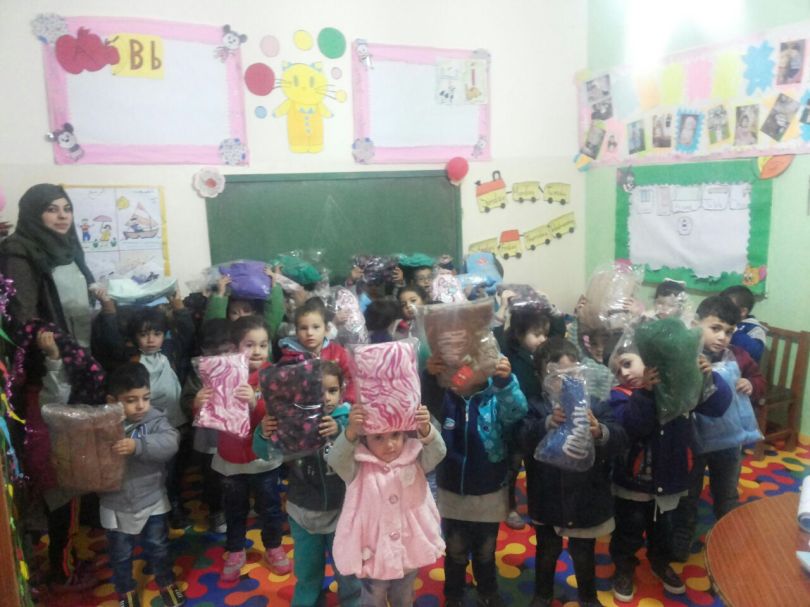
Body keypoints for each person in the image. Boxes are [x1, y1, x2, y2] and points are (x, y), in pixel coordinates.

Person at [608, 341, 731, 603]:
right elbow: (633, 425)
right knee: (628, 530)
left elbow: (717, 407)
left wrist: (708, 378)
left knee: (664, 529)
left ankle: (660, 562)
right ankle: (624, 568)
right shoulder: (620, 395)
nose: (624, 373)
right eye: (618, 370)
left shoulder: (679, 390)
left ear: (650, 360)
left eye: (628, 364)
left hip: (670, 479)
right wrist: (645, 393)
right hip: (634, 483)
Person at [517, 337, 626, 607]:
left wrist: (600, 431)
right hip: (547, 496)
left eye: (573, 374)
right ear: (542, 378)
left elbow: (620, 439)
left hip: (585, 498)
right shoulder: (536, 407)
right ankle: (543, 594)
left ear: (582, 374)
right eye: (557, 376)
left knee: (583, 552)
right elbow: (521, 438)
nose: (566, 382)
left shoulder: (595, 406)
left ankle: (588, 597)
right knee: (547, 550)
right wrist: (545, 424)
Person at [255, 360, 362, 606]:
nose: (325, 397)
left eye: (332, 390)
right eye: (317, 391)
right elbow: (265, 453)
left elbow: (362, 452)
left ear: (342, 391)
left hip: (342, 512)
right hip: (302, 511)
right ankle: (307, 599)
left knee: (347, 568)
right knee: (306, 568)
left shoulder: (349, 420)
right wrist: (264, 432)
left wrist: (341, 431)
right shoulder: (292, 420)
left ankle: (353, 600)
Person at [669, 295, 766, 561]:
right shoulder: (686, 355)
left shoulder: (739, 356)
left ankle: (728, 539)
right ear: (696, 324)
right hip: (694, 440)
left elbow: (758, 379)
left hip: (729, 440)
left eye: (729, 331)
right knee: (688, 495)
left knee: (727, 493)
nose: (722, 337)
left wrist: (751, 384)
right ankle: (681, 540)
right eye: (715, 328)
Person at [429, 350, 528, 607]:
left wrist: (505, 383)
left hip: (489, 491)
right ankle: (454, 595)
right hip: (453, 490)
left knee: (485, 550)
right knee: (455, 550)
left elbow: (517, 411)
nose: (463, 372)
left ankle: (487, 590)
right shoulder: (446, 397)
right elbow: (421, 400)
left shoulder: (495, 397)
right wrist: (431, 376)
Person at [15, 322, 106, 593]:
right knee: (64, 525)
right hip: (57, 471)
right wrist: (54, 357)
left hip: (47, 466)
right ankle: (64, 574)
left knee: (61, 523)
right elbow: (56, 394)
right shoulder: (44, 396)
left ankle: (67, 563)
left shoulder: (27, 391)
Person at [327, 403, 446, 607]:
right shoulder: (358, 466)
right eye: (378, 438)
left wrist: (426, 429)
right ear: (365, 439)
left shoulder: (414, 458)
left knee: (404, 597)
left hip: (408, 549)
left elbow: (438, 452)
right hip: (373, 554)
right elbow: (336, 459)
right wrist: (351, 431)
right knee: (373, 599)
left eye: (395, 435)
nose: (389, 445)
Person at [212, 315, 290, 581]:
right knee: (234, 508)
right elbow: (212, 414)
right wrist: (201, 403)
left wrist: (255, 402)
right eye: (249, 344)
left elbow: (279, 414)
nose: (257, 350)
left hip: (263, 459)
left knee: (270, 506)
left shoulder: (274, 376)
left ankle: (274, 546)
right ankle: (235, 549)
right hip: (231, 458)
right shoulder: (222, 373)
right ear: (235, 347)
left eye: (263, 344)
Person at [101, 362, 184, 607]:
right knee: (120, 554)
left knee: (158, 547)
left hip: (152, 498)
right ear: (112, 401)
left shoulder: (155, 420)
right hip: (114, 502)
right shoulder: (101, 426)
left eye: (145, 398)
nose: (140, 406)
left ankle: (166, 582)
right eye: (131, 400)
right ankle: (125, 592)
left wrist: (138, 446)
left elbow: (170, 443)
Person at [0, 184, 98, 344]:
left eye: (67, 209)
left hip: (81, 337)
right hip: (49, 348)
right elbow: (24, 314)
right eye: (52, 210)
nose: (63, 216)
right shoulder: (18, 251)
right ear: (33, 213)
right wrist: (55, 353)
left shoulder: (69, 245)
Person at [126, 306, 190, 529]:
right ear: (135, 337)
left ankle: (174, 502)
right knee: (161, 473)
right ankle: (168, 509)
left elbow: (187, 332)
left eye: (157, 333)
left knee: (177, 470)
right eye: (144, 334)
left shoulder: (170, 353)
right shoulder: (134, 361)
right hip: (152, 428)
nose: (151, 339)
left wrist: (178, 309)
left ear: (165, 334)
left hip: (178, 422)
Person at [495, 303, 551, 530]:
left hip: (536, 420)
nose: (542, 339)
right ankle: (509, 506)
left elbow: (557, 332)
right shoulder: (510, 353)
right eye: (536, 334)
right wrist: (505, 313)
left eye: (544, 334)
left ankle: (538, 507)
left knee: (537, 466)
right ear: (519, 334)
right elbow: (496, 340)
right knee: (512, 467)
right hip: (515, 423)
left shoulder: (542, 355)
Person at [180, 318, 232, 533]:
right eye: (213, 352)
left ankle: (235, 506)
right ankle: (216, 511)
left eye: (226, 351)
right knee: (212, 477)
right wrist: (196, 401)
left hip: (235, 435)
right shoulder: (198, 371)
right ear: (203, 351)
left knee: (235, 476)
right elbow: (186, 400)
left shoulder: (239, 367)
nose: (220, 358)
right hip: (209, 437)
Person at [278, 297, 356, 402]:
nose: (310, 333)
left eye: (316, 327)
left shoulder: (338, 353)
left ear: (326, 329)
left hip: (338, 406)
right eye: (303, 328)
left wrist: (347, 402)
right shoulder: (289, 361)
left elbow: (352, 379)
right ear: (296, 332)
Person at [204, 269, 285, 339]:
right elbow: (215, 326)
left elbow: (274, 312)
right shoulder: (226, 338)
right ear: (228, 316)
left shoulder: (264, 333)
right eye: (234, 313)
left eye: (246, 311)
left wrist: (274, 285)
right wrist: (220, 293)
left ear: (254, 313)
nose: (241, 316)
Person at [720, 285, 767, 363]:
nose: (722, 310)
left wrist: (734, 330)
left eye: (727, 307)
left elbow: (756, 352)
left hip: (742, 368)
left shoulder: (755, 329)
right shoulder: (722, 321)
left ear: (742, 312)